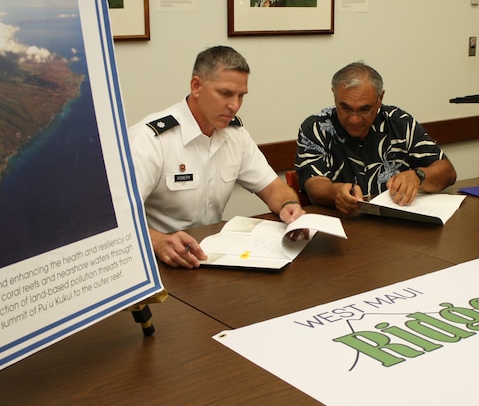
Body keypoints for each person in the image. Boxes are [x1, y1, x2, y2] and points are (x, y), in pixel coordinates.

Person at [129, 46, 305, 269]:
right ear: (196, 86)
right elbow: (117, 217)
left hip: (210, 258)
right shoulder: (150, 139)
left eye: (241, 96)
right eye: (225, 93)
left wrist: (289, 206)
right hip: (158, 261)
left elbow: (272, 188)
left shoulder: (235, 135)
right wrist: (157, 240)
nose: (234, 106)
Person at [295, 62, 457, 213]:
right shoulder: (316, 128)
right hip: (343, 225)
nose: (354, 119)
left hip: (398, 224)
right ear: (334, 94)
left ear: (380, 98)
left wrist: (418, 175)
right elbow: (314, 184)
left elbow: (447, 172)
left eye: (365, 109)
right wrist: (336, 192)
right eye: (345, 108)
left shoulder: (399, 122)